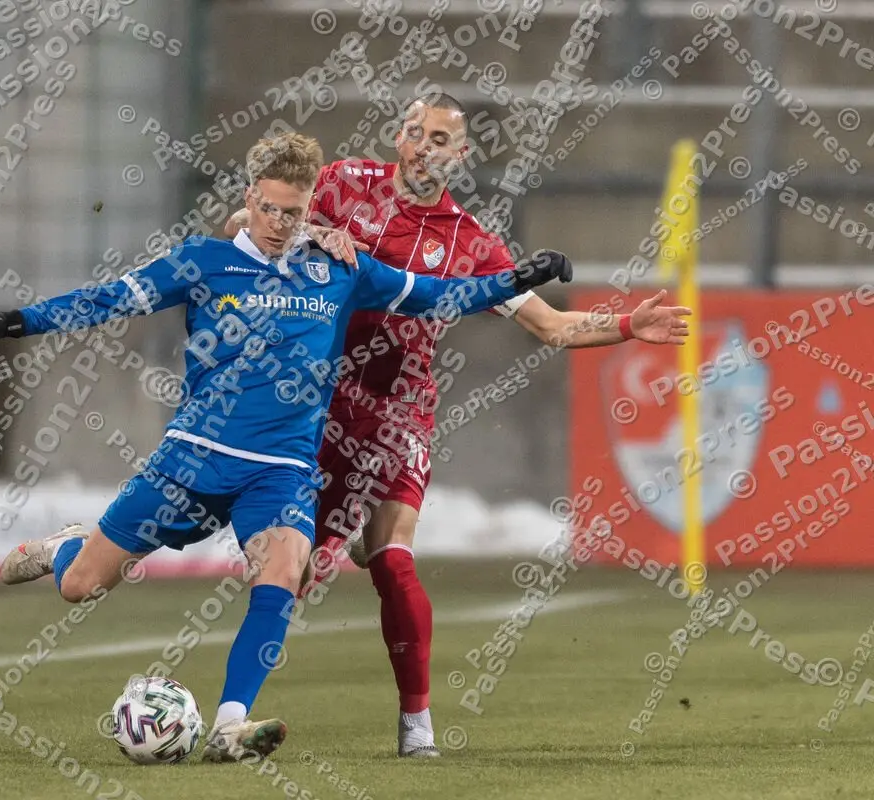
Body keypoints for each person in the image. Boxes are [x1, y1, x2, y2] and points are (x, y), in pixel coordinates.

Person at [0, 132, 571, 762]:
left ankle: (229, 724)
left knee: (284, 569)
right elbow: (108, 299)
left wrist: (515, 278)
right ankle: (66, 548)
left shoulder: (339, 271)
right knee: (81, 587)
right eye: (270, 209)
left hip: (281, 471)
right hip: (193, 457)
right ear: (249, 198)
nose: (279, 224)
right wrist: (15, 321)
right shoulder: (202, 262)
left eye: (293, 212)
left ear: (312, 208)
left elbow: (437, 295)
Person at [224, 94, 692, 758]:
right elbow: (247, 219)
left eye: (439, 138)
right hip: (319, 403)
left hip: (396, 415)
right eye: (415, 133)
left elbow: (550, 326)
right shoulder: (340, 183)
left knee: (393, 558)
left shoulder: (468, 242)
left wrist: (625, 325)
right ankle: (230, 711)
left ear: (459, 155)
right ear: (398, 136)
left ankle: (417, 727)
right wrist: (310, 234)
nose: (423, 146)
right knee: (288, 574)